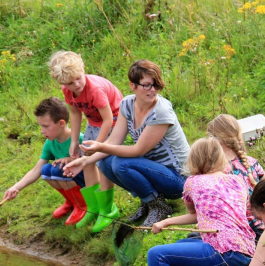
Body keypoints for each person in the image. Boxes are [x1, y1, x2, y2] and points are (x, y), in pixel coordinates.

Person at [143, 137, 256, 266]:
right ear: (220, 158)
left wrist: (165, 221)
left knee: (156, 255)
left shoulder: (192, 182)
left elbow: (193, 213)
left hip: (224, 253)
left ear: (194, 160)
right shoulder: (238, 181)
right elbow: (204, 215)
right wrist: (167, 222)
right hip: (246, 251)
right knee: (178, 248)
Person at [63, 60, 190, 227]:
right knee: (106, 162)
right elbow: (114, 140)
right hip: (154, 170)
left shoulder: (161, 111)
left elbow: (138, 150)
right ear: (132, 85)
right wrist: (85, 161)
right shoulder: (127, 104)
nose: (153, 90)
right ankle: (148, 201)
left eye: (156, 85)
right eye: (146, 85)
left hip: (178, 178)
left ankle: (159, 207)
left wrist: (99, 146)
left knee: (121, 163)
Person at [49, 51, 123, 233]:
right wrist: (74, 141)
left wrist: (98, 146)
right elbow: (75, 113)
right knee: (86, 161)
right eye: (69, 83)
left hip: (115, 119)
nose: (76, 85)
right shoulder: (68, 90)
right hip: (93, 122)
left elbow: (107, 119)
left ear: (82, 70)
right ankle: (94, 208)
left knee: (101, 160)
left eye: (78, 79)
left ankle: (108, 209)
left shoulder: (95, 89)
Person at [3, 97, 87, 226]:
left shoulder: (79, 138)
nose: (42, 131)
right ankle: (70, 201)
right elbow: (36, 170)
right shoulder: (50, 142)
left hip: (85, 182)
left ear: (61, 123)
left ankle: (81, 205)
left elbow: (92, 163)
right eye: (40, 126)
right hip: (67, 178)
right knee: (46, 170)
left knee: (58, 169)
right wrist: (16, 188)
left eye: (46, 126)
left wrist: (71, 159)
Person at [206, 114, 265, 241]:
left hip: (237, 235)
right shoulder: (250, 162)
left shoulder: (216, 172)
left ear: (215, 140)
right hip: (262, 229)